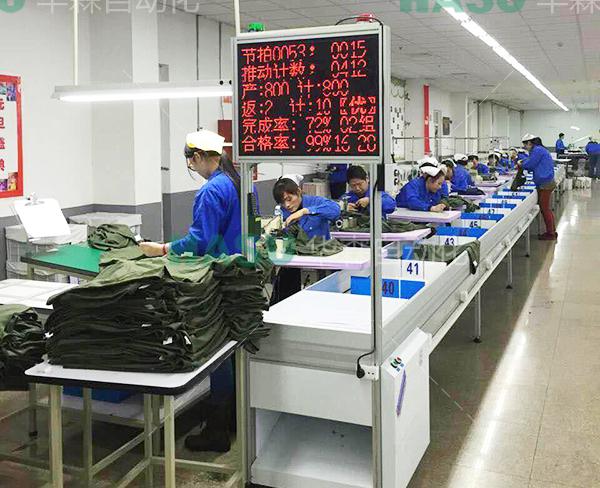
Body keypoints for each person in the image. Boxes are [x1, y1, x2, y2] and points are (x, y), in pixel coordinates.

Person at [140, 129, 242, 453]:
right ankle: (234, 419)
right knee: (232, 349)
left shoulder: (212, 190)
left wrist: (162, 248)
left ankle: (217, 431)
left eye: (190, 161)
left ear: (197, 157)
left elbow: (200, 241)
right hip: (240, 274)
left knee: (217, 350)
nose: (191, 167)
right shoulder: (237, 181)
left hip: (219, 278)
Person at [521, 133, 557, 240]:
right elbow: (532, 162)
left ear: (529, 143)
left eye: (525, 145)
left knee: (545, 209)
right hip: (545, 181)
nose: (525, 147)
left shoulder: (537, 150)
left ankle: (551, 233)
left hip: (545, 183)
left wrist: (521, 164)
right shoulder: (539, 150)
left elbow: (530, 164)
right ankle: (552, 231)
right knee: (546, 208)